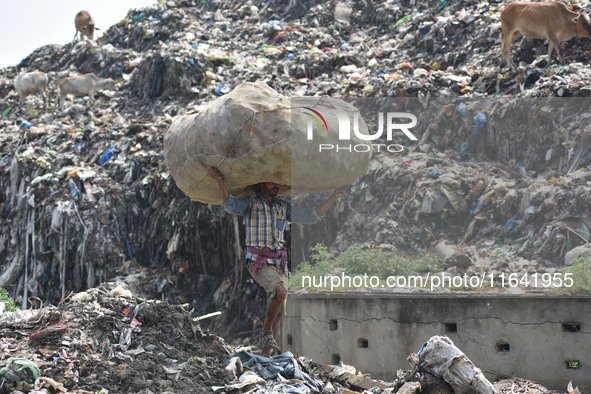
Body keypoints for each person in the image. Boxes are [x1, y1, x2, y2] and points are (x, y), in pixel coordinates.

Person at [207, 167, 348, 357]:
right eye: (272, 182)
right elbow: (230, 204)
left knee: (279, 310)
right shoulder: (250, 204)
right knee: (280, 291)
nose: (276, 186)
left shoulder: (283, 207)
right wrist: (220, 181)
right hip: (258, 261)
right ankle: (266, 332)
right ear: (261, 184)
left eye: (278, 183)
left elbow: (310, 217)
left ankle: (265, 357)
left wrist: (333, 197)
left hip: (280, 262)